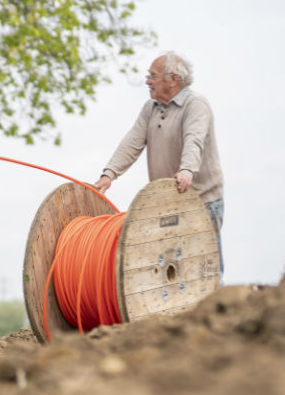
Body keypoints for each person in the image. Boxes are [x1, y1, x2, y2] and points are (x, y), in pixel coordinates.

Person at [94, 51, 225, 274]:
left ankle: (216, 307)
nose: (147, 81)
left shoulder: (196, 105)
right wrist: (109, 174)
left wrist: (186, 170)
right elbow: (132, 142)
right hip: (168, 202)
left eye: (152, 76)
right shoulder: (150, 108)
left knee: (204, 271)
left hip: (201, 200)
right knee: (172, 271)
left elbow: (194, 140)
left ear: (173, 79)